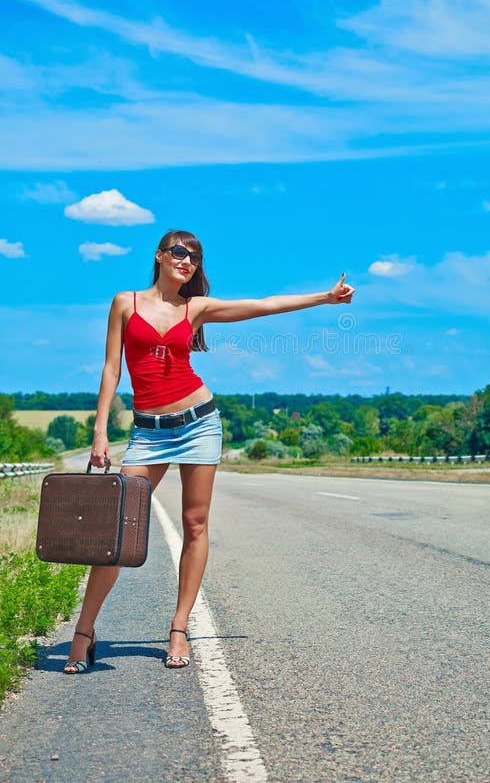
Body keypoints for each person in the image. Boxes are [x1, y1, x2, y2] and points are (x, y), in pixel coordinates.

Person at [64, 229, 355, 673]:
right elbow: (111, 368)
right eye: (180, 252)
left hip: (199, 423)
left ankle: (179, 628)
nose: (187, 261)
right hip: (147, 431)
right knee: (116, 532)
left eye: (195, 257)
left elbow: (265, 304)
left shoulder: (194, 308)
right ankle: (84, 632)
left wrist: (325, 298)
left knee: (195, 523)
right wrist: (100, 430)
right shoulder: (126, 302)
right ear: (160, 255)